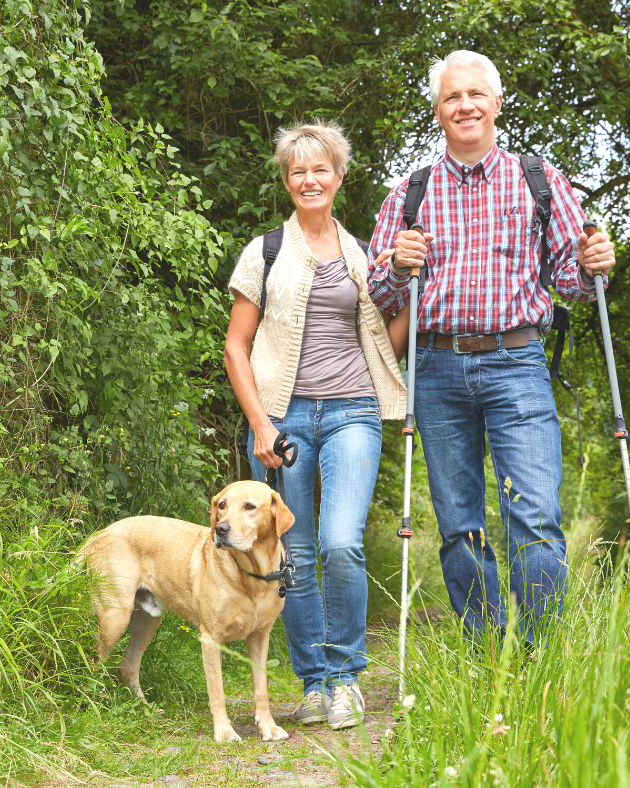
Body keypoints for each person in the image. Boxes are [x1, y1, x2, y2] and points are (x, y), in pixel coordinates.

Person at [367, 51, 616, 645]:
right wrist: (398, 268)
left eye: (476, 94)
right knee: (458, 524)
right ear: (437, 112)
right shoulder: (410, 193)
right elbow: (375, 291)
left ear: (497, 103)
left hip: (518, 362)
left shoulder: (540, 181)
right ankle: (484, 645)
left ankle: (538, 653)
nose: (465, 106)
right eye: (452, 98)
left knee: (534, 516)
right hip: (436, 365)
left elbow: (575, 283)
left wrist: (592, 265)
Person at [224, 119, 406, 729]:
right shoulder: (265, 251)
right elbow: (235, 346)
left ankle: (348, 678)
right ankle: (314, 684)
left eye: (320, 168)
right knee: (291, 552)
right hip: (283, 417)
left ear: (339, 176)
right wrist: (259, 424)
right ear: (286, 180)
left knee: (340, 542)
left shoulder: (365, 255)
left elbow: (386, 342)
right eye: (297, 170)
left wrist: (414, 289)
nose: (309, 179)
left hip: (354, 409)